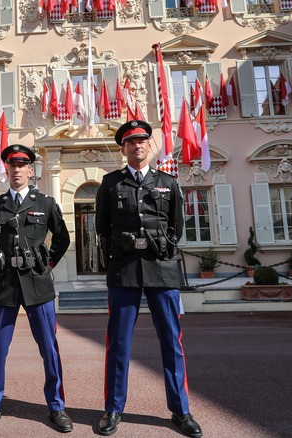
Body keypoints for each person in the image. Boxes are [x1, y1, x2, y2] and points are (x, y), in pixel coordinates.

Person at [93, 120, 202, 438]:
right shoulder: (110, 183)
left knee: (172, 342)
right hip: (124, 270)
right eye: (130, 142)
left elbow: (177, 226)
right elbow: (102, 227)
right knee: (118, 344)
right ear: (123, 149)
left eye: (142, 140)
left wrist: (160, 245)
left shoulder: (168, 182)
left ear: (149, 145)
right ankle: (113, 408)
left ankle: (180, 410)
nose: (137, 145)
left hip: (162, 269)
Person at [0, 144, 72, 433]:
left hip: (37, 284)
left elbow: (62, 239)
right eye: (12, 166)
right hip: (5, 285)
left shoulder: (45, 203)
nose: (16, 171)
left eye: (22, 166)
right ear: (7, 170)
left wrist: (46, 265)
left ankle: (56, 406)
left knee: (49, 349)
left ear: (30, 170)